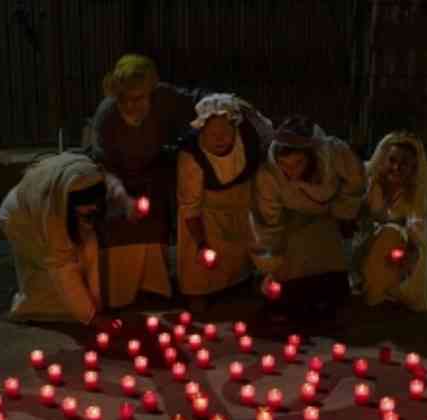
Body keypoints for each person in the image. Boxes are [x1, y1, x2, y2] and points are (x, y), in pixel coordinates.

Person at [90, 54, 211, 308]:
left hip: (154, 171)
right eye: (123, 98)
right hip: (117, 180)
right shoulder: (107, 116)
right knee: (114, 222)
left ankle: (161, 285)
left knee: (167, 211)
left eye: (138, 98)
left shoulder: (164, 99)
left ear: (151, 93)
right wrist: (123, 199)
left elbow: (199, 100)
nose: (130, 105)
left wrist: (226, 104)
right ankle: (121, 290)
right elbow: (103, 167)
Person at [0, 152, 137, 331]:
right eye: (87, 205)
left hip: (59, 211)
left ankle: (86, 305)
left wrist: (126, 202)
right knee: (47, 271)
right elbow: (62, 267)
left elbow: (111, 186)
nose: (95, 208)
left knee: (86, 250)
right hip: (20, 218)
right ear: (69, 202)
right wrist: (92, 317)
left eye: (96, 202)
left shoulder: (90, 175)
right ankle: (38, 309)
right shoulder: (51, 215)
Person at [250, 115, 365, 320]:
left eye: (298, 163)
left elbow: (355, 182)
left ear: (311, 156)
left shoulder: (334, 155)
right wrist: (272, 254)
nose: (290, 171)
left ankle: (329, 298)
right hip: (291, 217)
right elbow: (268, 217)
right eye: (284, 164)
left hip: (328, 214)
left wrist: (344, 213)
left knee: (328, 250)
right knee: (294, 253)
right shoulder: (268, 174)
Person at [176, 94, 274, 312]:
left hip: (242, 198)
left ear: (235, 128)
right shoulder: (191, 155)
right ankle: (198, 290)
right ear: (201, 131)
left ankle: (238, 281)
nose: (220, 139)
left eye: (226, 133)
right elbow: (190, 206)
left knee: (242, 242)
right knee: (203, 251)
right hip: (207, 206)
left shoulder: (249, 137)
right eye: (213, 134)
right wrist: (201, 244)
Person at [351, 131, 427, 312]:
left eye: (404, 163)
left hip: (400, 250)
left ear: (413, 167)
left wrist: (410, 249)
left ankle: (393, 288)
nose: (396, 167)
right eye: (392, 160)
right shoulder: (371, 184)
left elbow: (418, 227)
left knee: (392, 233)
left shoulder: (414, 194)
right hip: (367, 246)